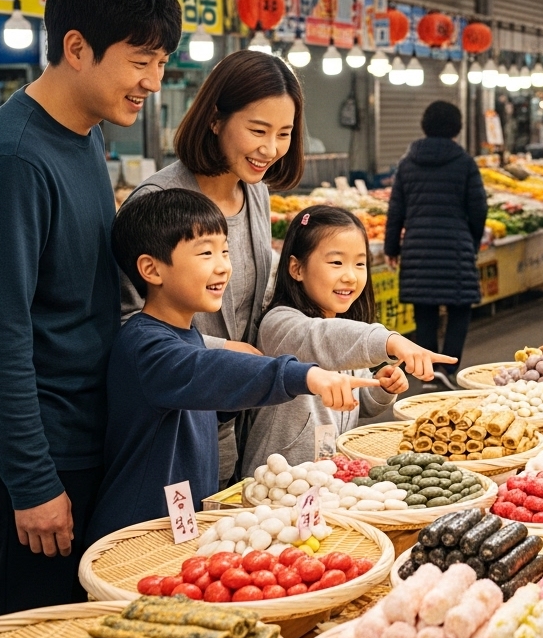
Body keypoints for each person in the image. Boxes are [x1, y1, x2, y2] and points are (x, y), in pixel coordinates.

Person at [0, 0, 182, 618]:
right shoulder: (12, 162)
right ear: (77, 48)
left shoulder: (83, 135)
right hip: (26, 443)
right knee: (36, 625)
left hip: (75, 426)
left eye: (161, 63)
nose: (153, 83)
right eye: (141, 60)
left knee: (85, 617)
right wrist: (32, 482)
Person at [89, 190, 373, 542]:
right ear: (151, 269)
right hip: (135, 535)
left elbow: (200, 400)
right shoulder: (146, 346)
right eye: (206, 253)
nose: (224, 265)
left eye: (225, 250)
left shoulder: (184, 334)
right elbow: (207, 371)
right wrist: (303, 374)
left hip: (179, 528)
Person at [120, 49, 303, 487]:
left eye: (284, 133)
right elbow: (128, 318)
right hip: (182, 423)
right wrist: (218, 348)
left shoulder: (254, 191)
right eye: (258, 130)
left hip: (244, 410)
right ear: (216, 119)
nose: (271, 149)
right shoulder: (158, 201)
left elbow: (254, 300)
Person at [243, 205, 456, 468]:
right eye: (336, 262)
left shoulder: (347, 332)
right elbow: (320, 339)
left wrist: (381, 388)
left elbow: (358, 404)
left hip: (331, 477)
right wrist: (389, 341)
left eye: (360, 263)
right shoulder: (279, 324)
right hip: (276, 482)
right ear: (296, 269)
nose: (350, 276)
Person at [385, 101, 487, 390]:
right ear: (457, 128)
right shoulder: (465, 162)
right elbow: (479, 209)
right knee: (460, 308)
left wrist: (392, 248)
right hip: (455, 245)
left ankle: (428, 372)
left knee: (424, 310)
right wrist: (472, 241)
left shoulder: (408, 163)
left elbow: (396, 210)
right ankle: (448, 369)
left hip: (417, 247)